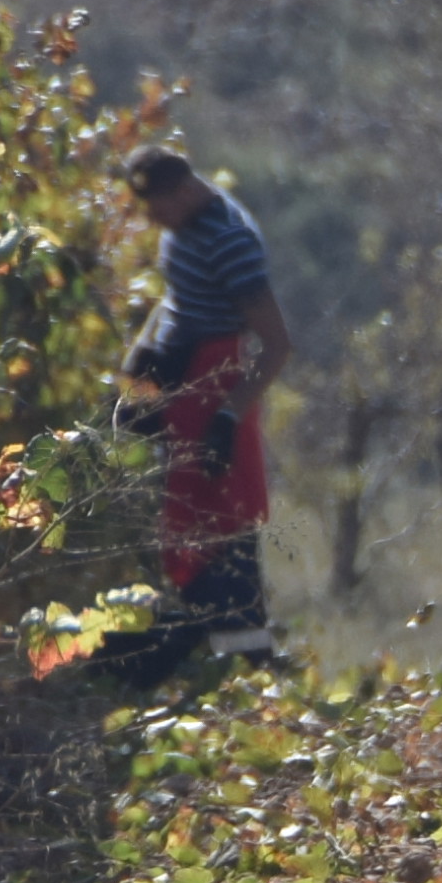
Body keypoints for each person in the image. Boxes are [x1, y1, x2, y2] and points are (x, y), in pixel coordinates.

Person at [118, 145, 292, 665]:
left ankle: (245, 660)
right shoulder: (181, 225)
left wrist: (228, 416)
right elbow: (175, 300)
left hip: (218, 388)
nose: (152, 220)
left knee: (222, 523)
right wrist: (137, 378)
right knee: (181, 520)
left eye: (157, 207)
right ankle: (202, 656)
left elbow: (277, 344)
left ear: (184, 190)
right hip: (178, 377)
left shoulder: (230, 240)